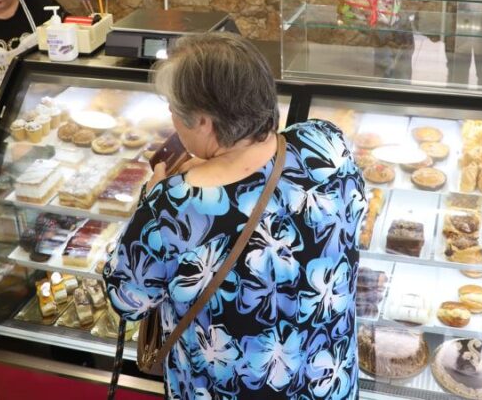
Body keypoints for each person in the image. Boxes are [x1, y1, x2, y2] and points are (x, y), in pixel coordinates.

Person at [104, 33, 366, 400]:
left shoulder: (169, 208)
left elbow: (126, 299)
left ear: (205, 123)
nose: (170, 117)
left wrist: (148, 197)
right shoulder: (327, 144)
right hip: (327, 383)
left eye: (173, 109)